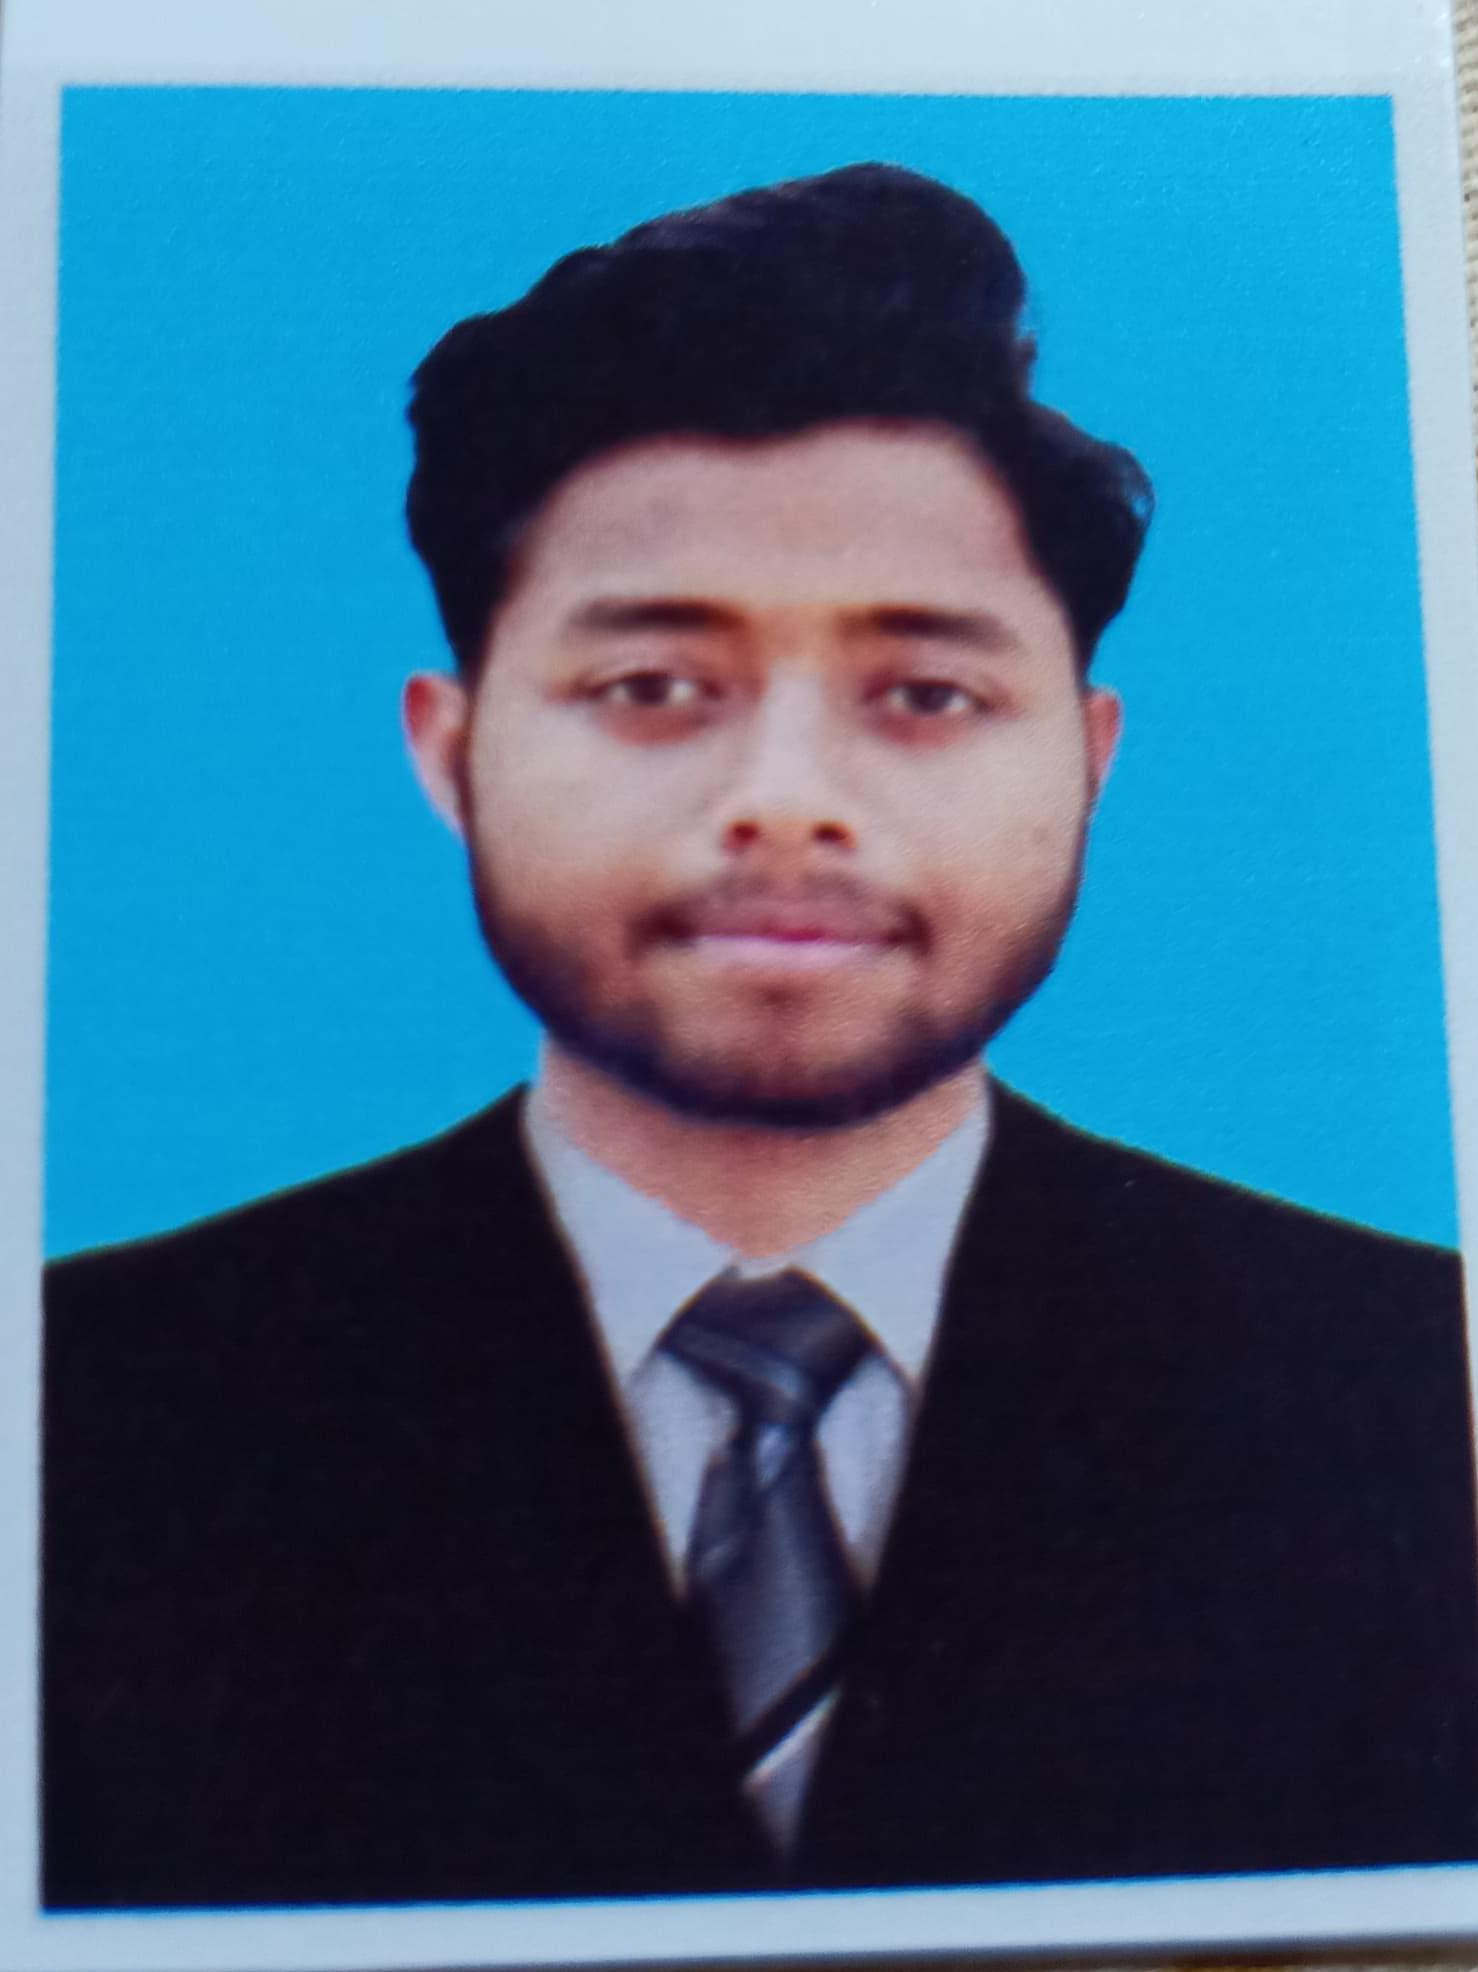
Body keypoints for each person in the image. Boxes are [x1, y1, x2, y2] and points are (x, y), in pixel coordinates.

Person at [42, 162, 1478, 1913]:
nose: (786, 801)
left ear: (1089, 758)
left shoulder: (1411, 1385)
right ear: (452, 751)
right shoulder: (84, 1407)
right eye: (653, 688)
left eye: (925, 694)